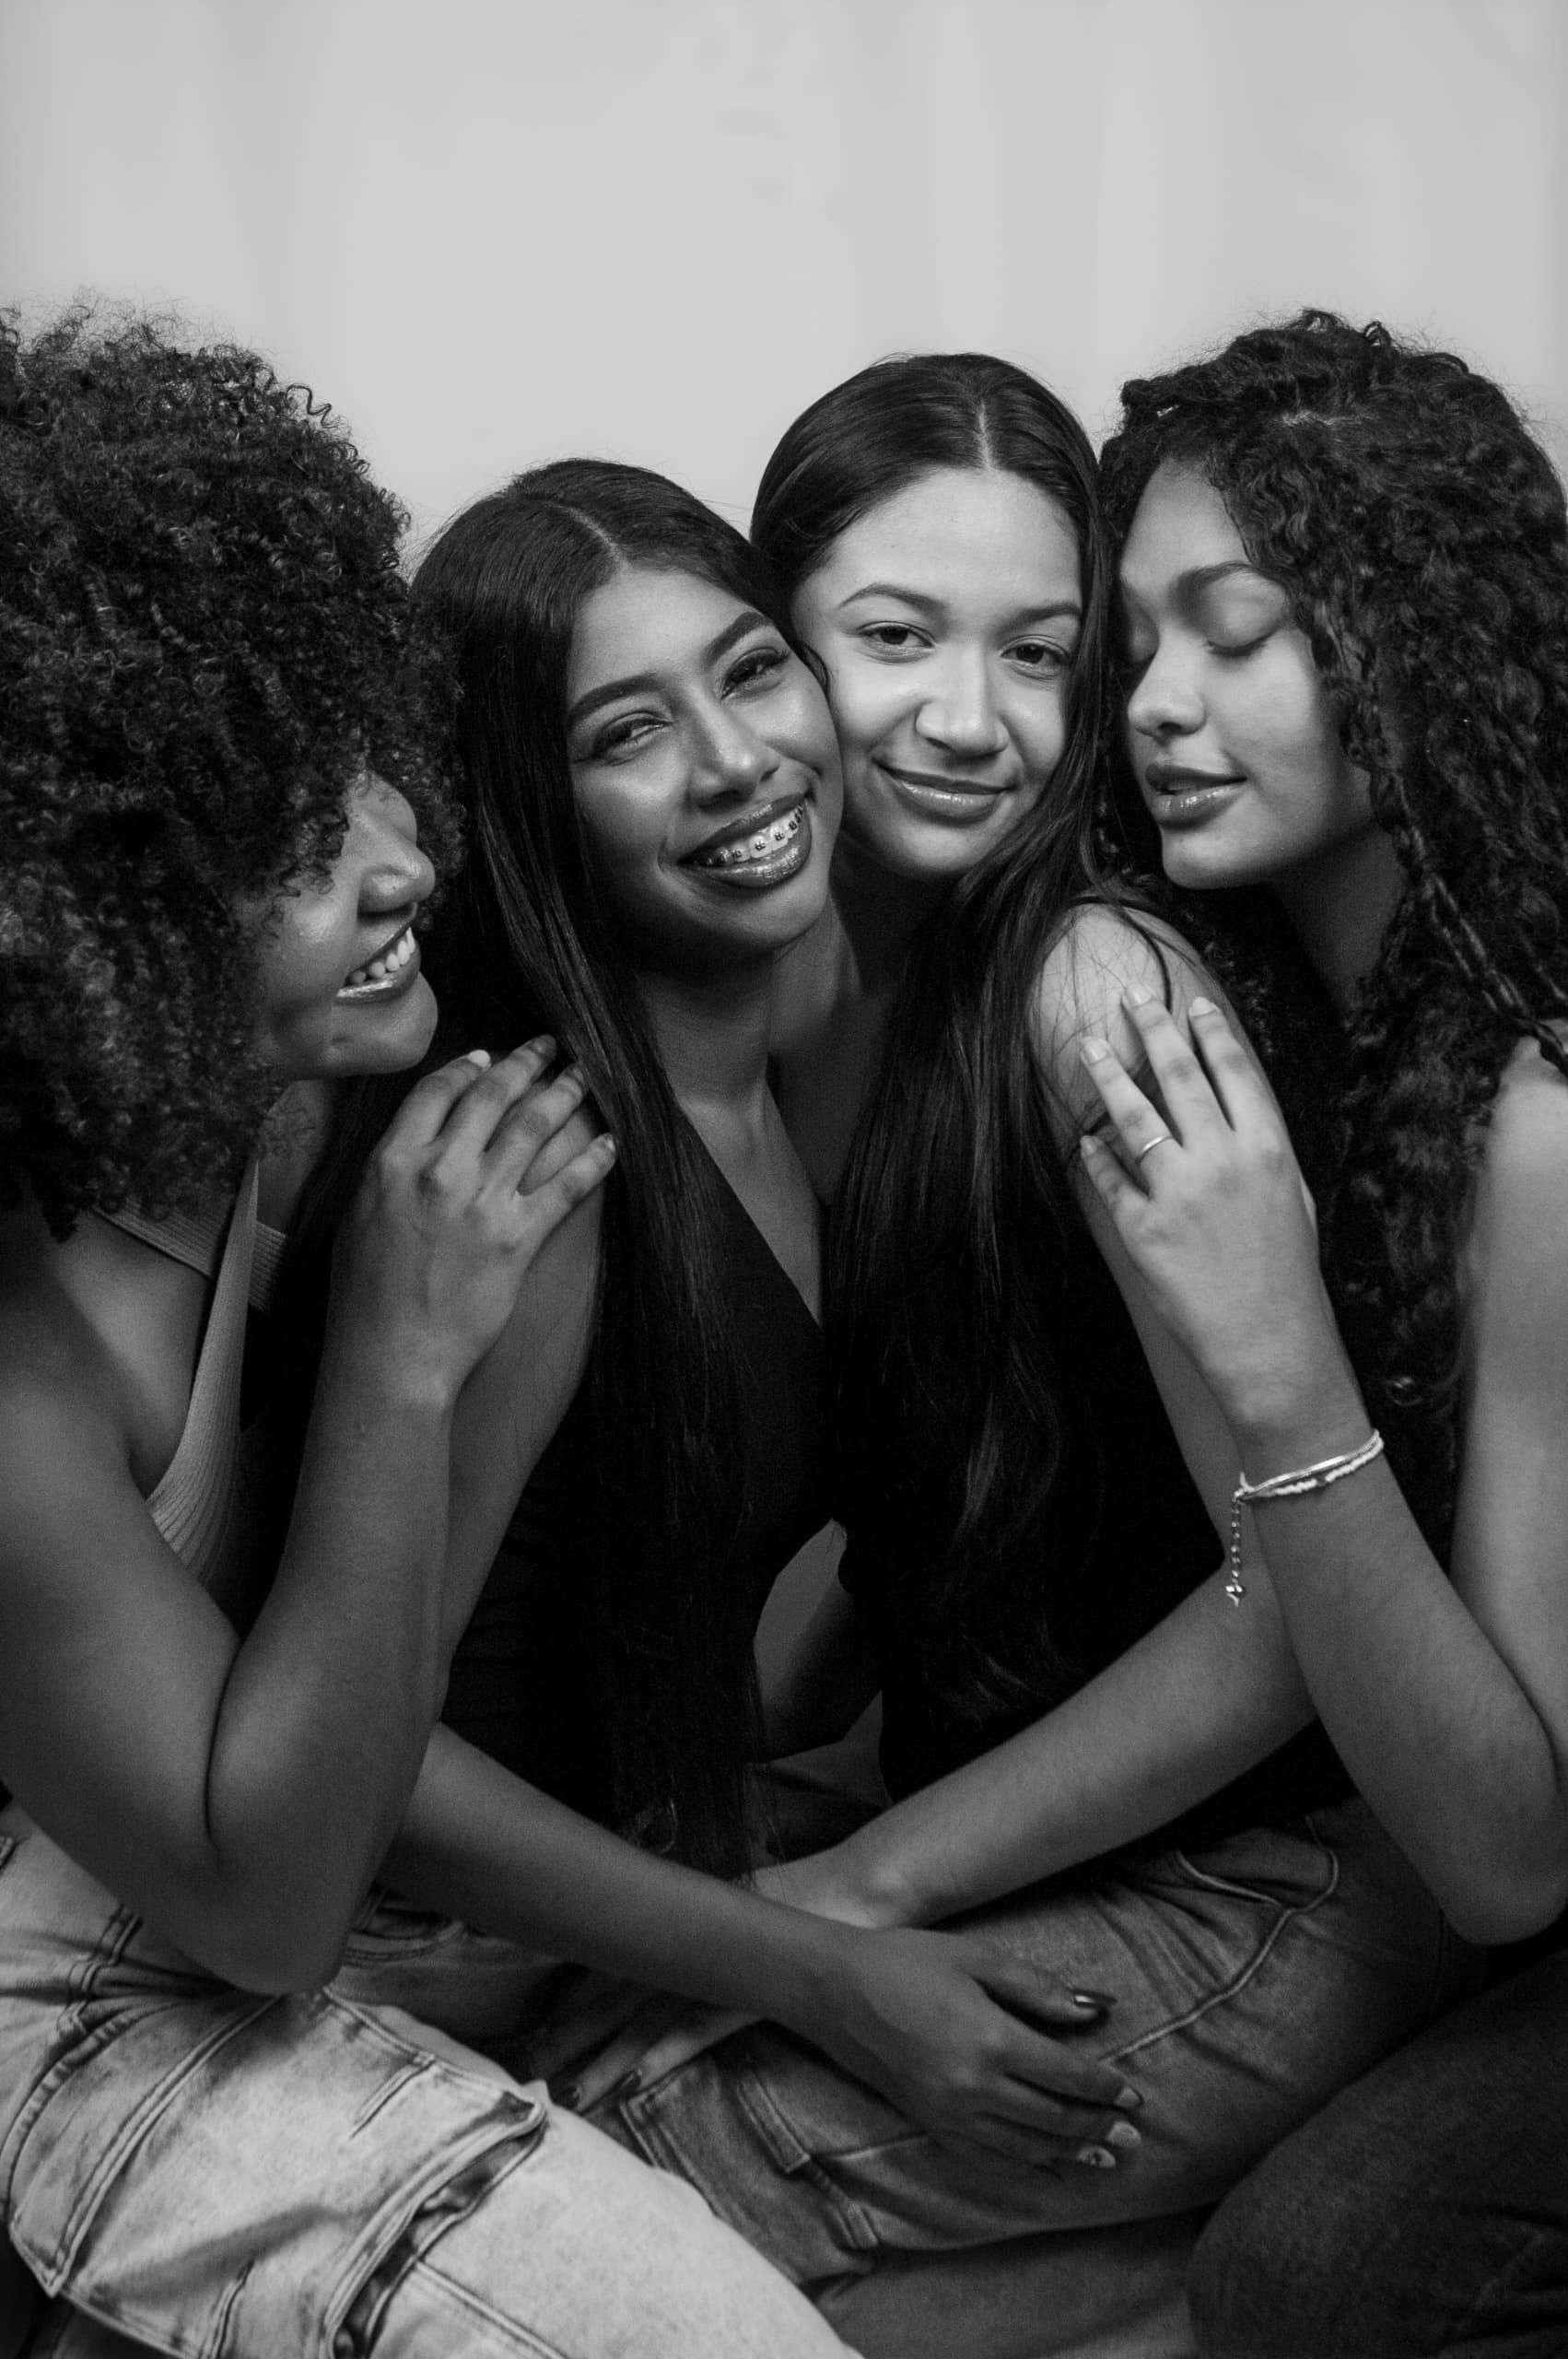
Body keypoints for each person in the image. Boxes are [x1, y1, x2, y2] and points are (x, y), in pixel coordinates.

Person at [547, 356, 1471, 2359]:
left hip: (1268, 1873)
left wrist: (858, 1886)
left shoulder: (1092, 995)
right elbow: (954, 1476)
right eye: (889, 636)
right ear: (763, 638)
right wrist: (752, 1819)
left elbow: (1278, 1599)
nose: (967, 720)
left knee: (595, 2178)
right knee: (542, 2030)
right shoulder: (791, 974)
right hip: (1031, 1812)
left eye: (1038, 653)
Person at [0, 310, 851, 2359]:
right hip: (102, 2018)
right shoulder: (28, 1347)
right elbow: (268, 1901)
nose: (399, 853)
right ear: (84, 903)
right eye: (288, 837)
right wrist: (395, 1351)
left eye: (357, 765)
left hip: (332, 1953)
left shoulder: (288, 1105)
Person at [298, 458, 1141, 2187]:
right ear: (527, 806)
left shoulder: (788, 1068)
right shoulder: (539, 1168)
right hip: (438, 1965)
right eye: (626, 734)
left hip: (651, 1878)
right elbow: (374, 1759)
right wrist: (818, 1966)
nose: (737, 759)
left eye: (752, 671)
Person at [1076, 311, 1568, 2357]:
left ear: (1412, 644)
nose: (1156, 707)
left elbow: (1507, 1854)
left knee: (1304, 2271)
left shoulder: (1533, 1115)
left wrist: (1275, 1353)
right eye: (1127, 647)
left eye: (1237, 630)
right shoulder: (1290, 1020)